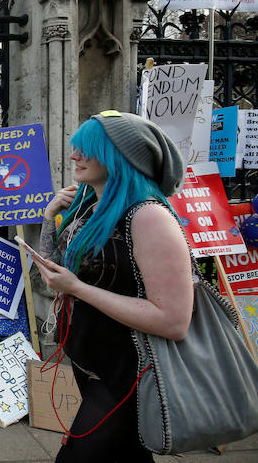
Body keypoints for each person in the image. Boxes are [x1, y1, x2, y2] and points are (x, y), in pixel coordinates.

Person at [35, 110, 192, 462]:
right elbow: (53, 274)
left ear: (121, 156)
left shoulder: (149, 216)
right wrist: (49, 217)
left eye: (88, 150)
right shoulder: (90, 206)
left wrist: (78, 288)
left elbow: (173, 321)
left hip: (131, 370)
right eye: (76, 147)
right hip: (92, 361)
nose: (74, 156)